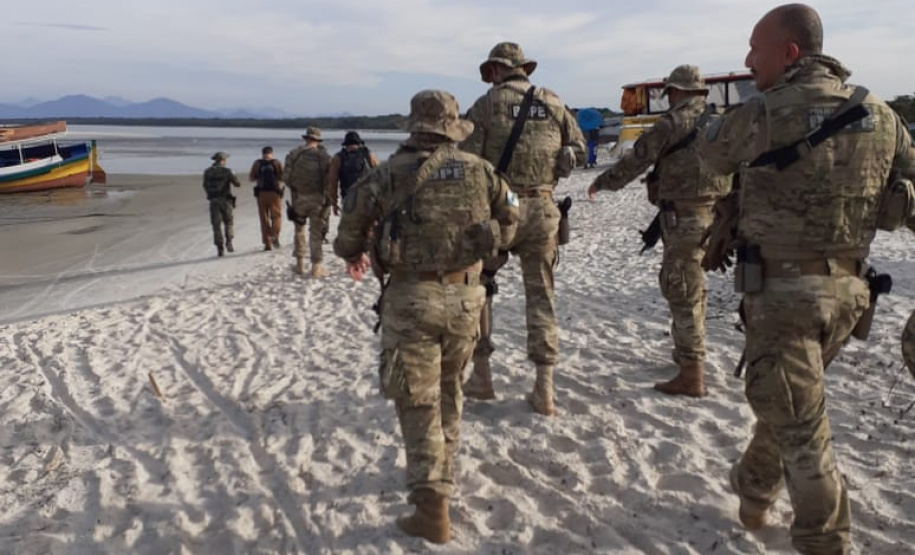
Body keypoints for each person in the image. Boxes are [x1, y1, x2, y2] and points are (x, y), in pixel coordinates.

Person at [695, 4, 915, 553]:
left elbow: (710, 156)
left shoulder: (763, 112)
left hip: (783, 298)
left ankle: (826, 540)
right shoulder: (882, 115)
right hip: (848, 298)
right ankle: (752, 491)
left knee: (804, 433)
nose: (747, 61)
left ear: (790, 52)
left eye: (755, 48)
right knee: (794, 406)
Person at [333, 90, 519, 544]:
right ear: (452, 127)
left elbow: (345, 241)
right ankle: (444, 468)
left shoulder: (387, 174)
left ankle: (432, 505)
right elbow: (514, 217)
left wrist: (360, 249)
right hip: (465, 299)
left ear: (414, 126)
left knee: (417, 400)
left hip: (411, 299)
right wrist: (485, 239)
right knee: (451, 385)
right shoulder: (482, 170)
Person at [587, 65, 731, 397]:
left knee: (681, 289)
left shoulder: (671, 124)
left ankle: (692, 374)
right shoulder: (723, 122)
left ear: (676, 92)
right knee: (695, 289)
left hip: (683, 218)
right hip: (717, 217)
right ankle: (686, 355)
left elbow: (635, 161)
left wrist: (602, 183)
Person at [460, 41, 585, 416]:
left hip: (503, 209)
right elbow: (578, 147)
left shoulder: (486, 105)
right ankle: (543, 388)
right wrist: (567, 157)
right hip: (545, 208)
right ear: (524, 70)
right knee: (542, 296)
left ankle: (482, 376)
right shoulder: (553, 102)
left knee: (480, 288)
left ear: (496, 70)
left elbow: (467, 161)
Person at [284, 127, 332, 276]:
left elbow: (286, 178)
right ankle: (316, 267)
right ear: (317, 140)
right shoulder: (323, 156)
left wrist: (297, 186)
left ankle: (299, 265)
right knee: (316, 233)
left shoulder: (293, 154)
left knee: (299, 231)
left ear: (305, 139)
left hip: (299, 198)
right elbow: (329, 180)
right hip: (318, 199)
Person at [326, 130, 379, 212]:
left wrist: (334, 203)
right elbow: (380, 174)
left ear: (345, 144)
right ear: (359, 143)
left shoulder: (338, 157)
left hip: (348, 199)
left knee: (349, 224)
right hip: (368, 198)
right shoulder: (368, 154)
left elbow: (333, 182)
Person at [202, 151, 241, 257]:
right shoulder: (227, 171)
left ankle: (219, 247)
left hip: (214, 200)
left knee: (216, 225)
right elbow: (237, 184)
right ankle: (229, 242)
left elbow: (205, 185)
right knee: (228, 222)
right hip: (225, 200)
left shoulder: (208, 172)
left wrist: (210, 194)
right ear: (223, 160)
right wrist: (233, 174)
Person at [249, 146, 284, 251]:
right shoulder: (276, 163)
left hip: (261, 194)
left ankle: (267, 244)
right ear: (271, 153)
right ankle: (274, 236)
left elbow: (251, 178)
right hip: (274, 194)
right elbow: (282, 177)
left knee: (264, 219)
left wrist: (258, 178)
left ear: (262, 153)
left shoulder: (257, 163)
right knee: (276, 217)